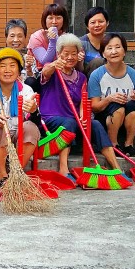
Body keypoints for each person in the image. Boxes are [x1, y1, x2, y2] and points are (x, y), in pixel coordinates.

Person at [38, 33, 121, 178]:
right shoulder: (51, 69)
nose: (70, 57)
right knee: (68, 122)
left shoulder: (81, 77)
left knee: (94, 124)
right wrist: (53, 65)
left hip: (73, 118)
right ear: (58, 54)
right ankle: (63, 168)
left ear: (78, 55)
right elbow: (45, 72)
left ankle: (117, 168)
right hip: (50, 119)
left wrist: (84, 116)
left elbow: (83, 102)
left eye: (73, 54)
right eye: (66, 54)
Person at [0, 47, 41, 186]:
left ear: (18, 70)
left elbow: (36, 124)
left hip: (18, 135)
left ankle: (16, 173)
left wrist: (34, 110)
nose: (7, 70)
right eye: (2, 66)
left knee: (30, 127)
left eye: (12, 66)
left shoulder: (26, 90)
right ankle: (2, 175)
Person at [88, 33, 135, 157]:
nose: (114, 51)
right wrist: (109, 99)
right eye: (109, 48)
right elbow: (94, 106)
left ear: (124, 51)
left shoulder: (134, 75)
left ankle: (128, 145)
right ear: (103, 53)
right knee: (117, 106)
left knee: (134, 107)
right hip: (106, 119)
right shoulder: (97, 75)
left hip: (128, 120)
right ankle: (113, 144)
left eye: (118, 47)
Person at [26, 4, 83, 93]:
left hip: (64, 73)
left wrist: (79, 58)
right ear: (45, 19)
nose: (54, 21)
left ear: (64, 20)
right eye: (50, 18)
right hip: (41, 75)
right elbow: (45, 61)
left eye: (58, 18)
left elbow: (75, 64)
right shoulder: (36, 37)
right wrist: (53, 41)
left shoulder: (67, 38)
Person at [80, 6, 110, 77]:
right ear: (87, 26)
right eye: (93, 22)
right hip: (88, 81)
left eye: (101, 22)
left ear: (107, 23)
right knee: (97, 62)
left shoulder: (112, 41)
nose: (97, 25)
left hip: (109, 80)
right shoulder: (80, 43)